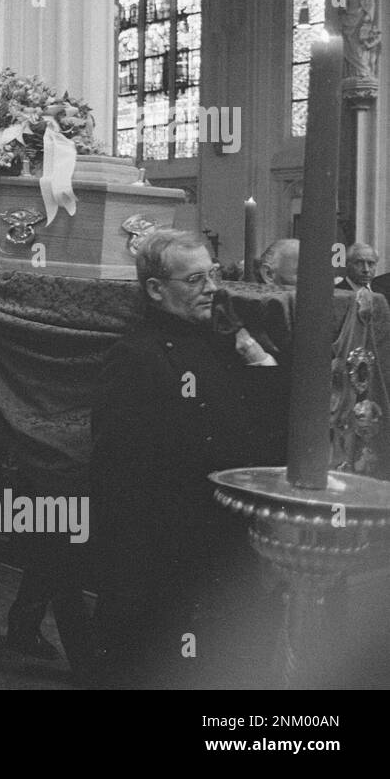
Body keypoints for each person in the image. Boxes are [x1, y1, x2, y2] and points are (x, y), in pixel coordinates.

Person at [91, 229, 286, 689]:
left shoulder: (225, 344)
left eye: (213, 274)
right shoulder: (135, 358)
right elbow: (118, 475)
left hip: (223, 543)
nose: (213, 288)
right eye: (195, 279)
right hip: (162, 557)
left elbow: (268, 432)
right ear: (156, 289)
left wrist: (258, 360)